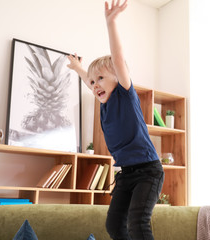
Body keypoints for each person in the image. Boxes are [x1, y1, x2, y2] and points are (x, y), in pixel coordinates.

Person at [67, 0, 164, 239]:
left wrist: (111, 23)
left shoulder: (125, 95)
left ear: (118, 78)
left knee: (138, 223)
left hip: (148, 171)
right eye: (92, 82)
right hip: (125, 174)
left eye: (101, 78)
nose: (95, 84)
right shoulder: (104, 102)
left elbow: (118, 60)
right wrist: (80, 69)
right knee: (113, 225)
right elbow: (91, 81)